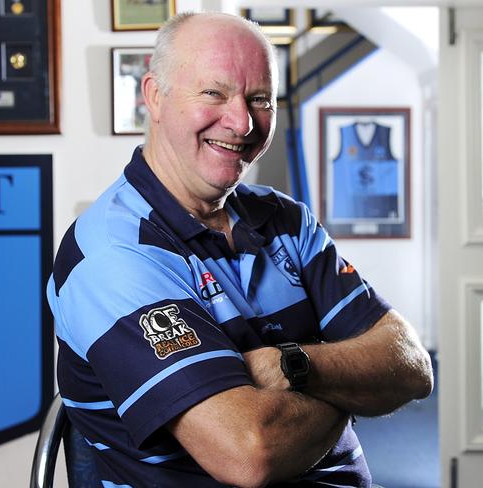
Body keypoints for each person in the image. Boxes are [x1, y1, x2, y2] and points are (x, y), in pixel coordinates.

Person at [47, 11, 433, 488]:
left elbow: (411, 366)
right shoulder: (114, 253)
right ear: (154, 96)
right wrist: (349, 384)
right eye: (214, 92)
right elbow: (251, 452)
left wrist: (286, 365)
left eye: (260, 99)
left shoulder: (286, 218)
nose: (242, 121)